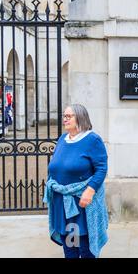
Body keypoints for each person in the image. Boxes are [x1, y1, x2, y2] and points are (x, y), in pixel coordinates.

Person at [43, 104, 108, 258]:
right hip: (62, 203)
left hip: (82, 203)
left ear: (80, 117)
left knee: (85, 247)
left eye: (68, 116)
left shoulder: (92, 140)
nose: (65, 119)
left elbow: (101, 169)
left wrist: (90, 191)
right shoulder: (63, 139)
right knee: (70, 247)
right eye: (64, 116)